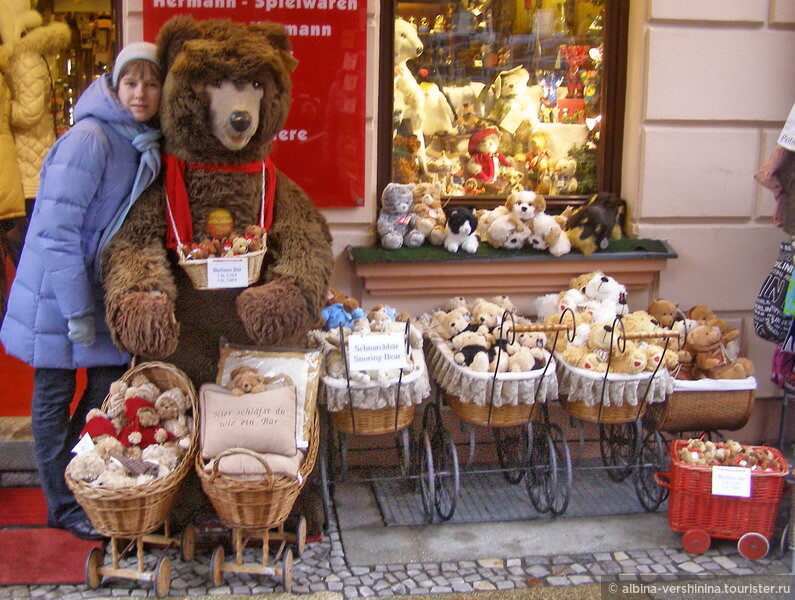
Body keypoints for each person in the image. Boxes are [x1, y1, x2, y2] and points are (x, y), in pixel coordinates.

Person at [0, 42, 163, 541]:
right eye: (131, 82)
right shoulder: (91, 138)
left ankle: (78, 481)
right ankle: (60, 501)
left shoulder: (138, 137)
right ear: (114, 86)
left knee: (106, 385)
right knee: (53, 392)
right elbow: (55, 231)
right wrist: (76, 310)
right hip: (58, 287)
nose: (141, 93)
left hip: (93, 286)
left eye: (151, 83)